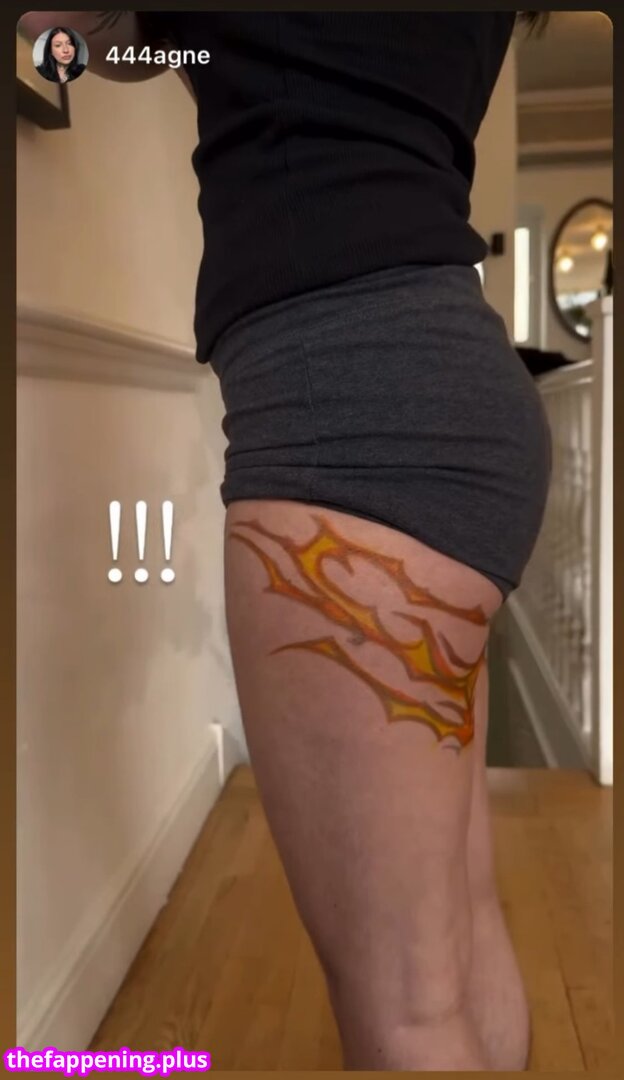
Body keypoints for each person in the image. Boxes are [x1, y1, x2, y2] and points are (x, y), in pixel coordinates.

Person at [18, 11, 552, 1071]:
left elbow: (52, 43)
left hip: (348, 421)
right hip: (455, 385)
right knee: (457, 925)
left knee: (406, 1012)